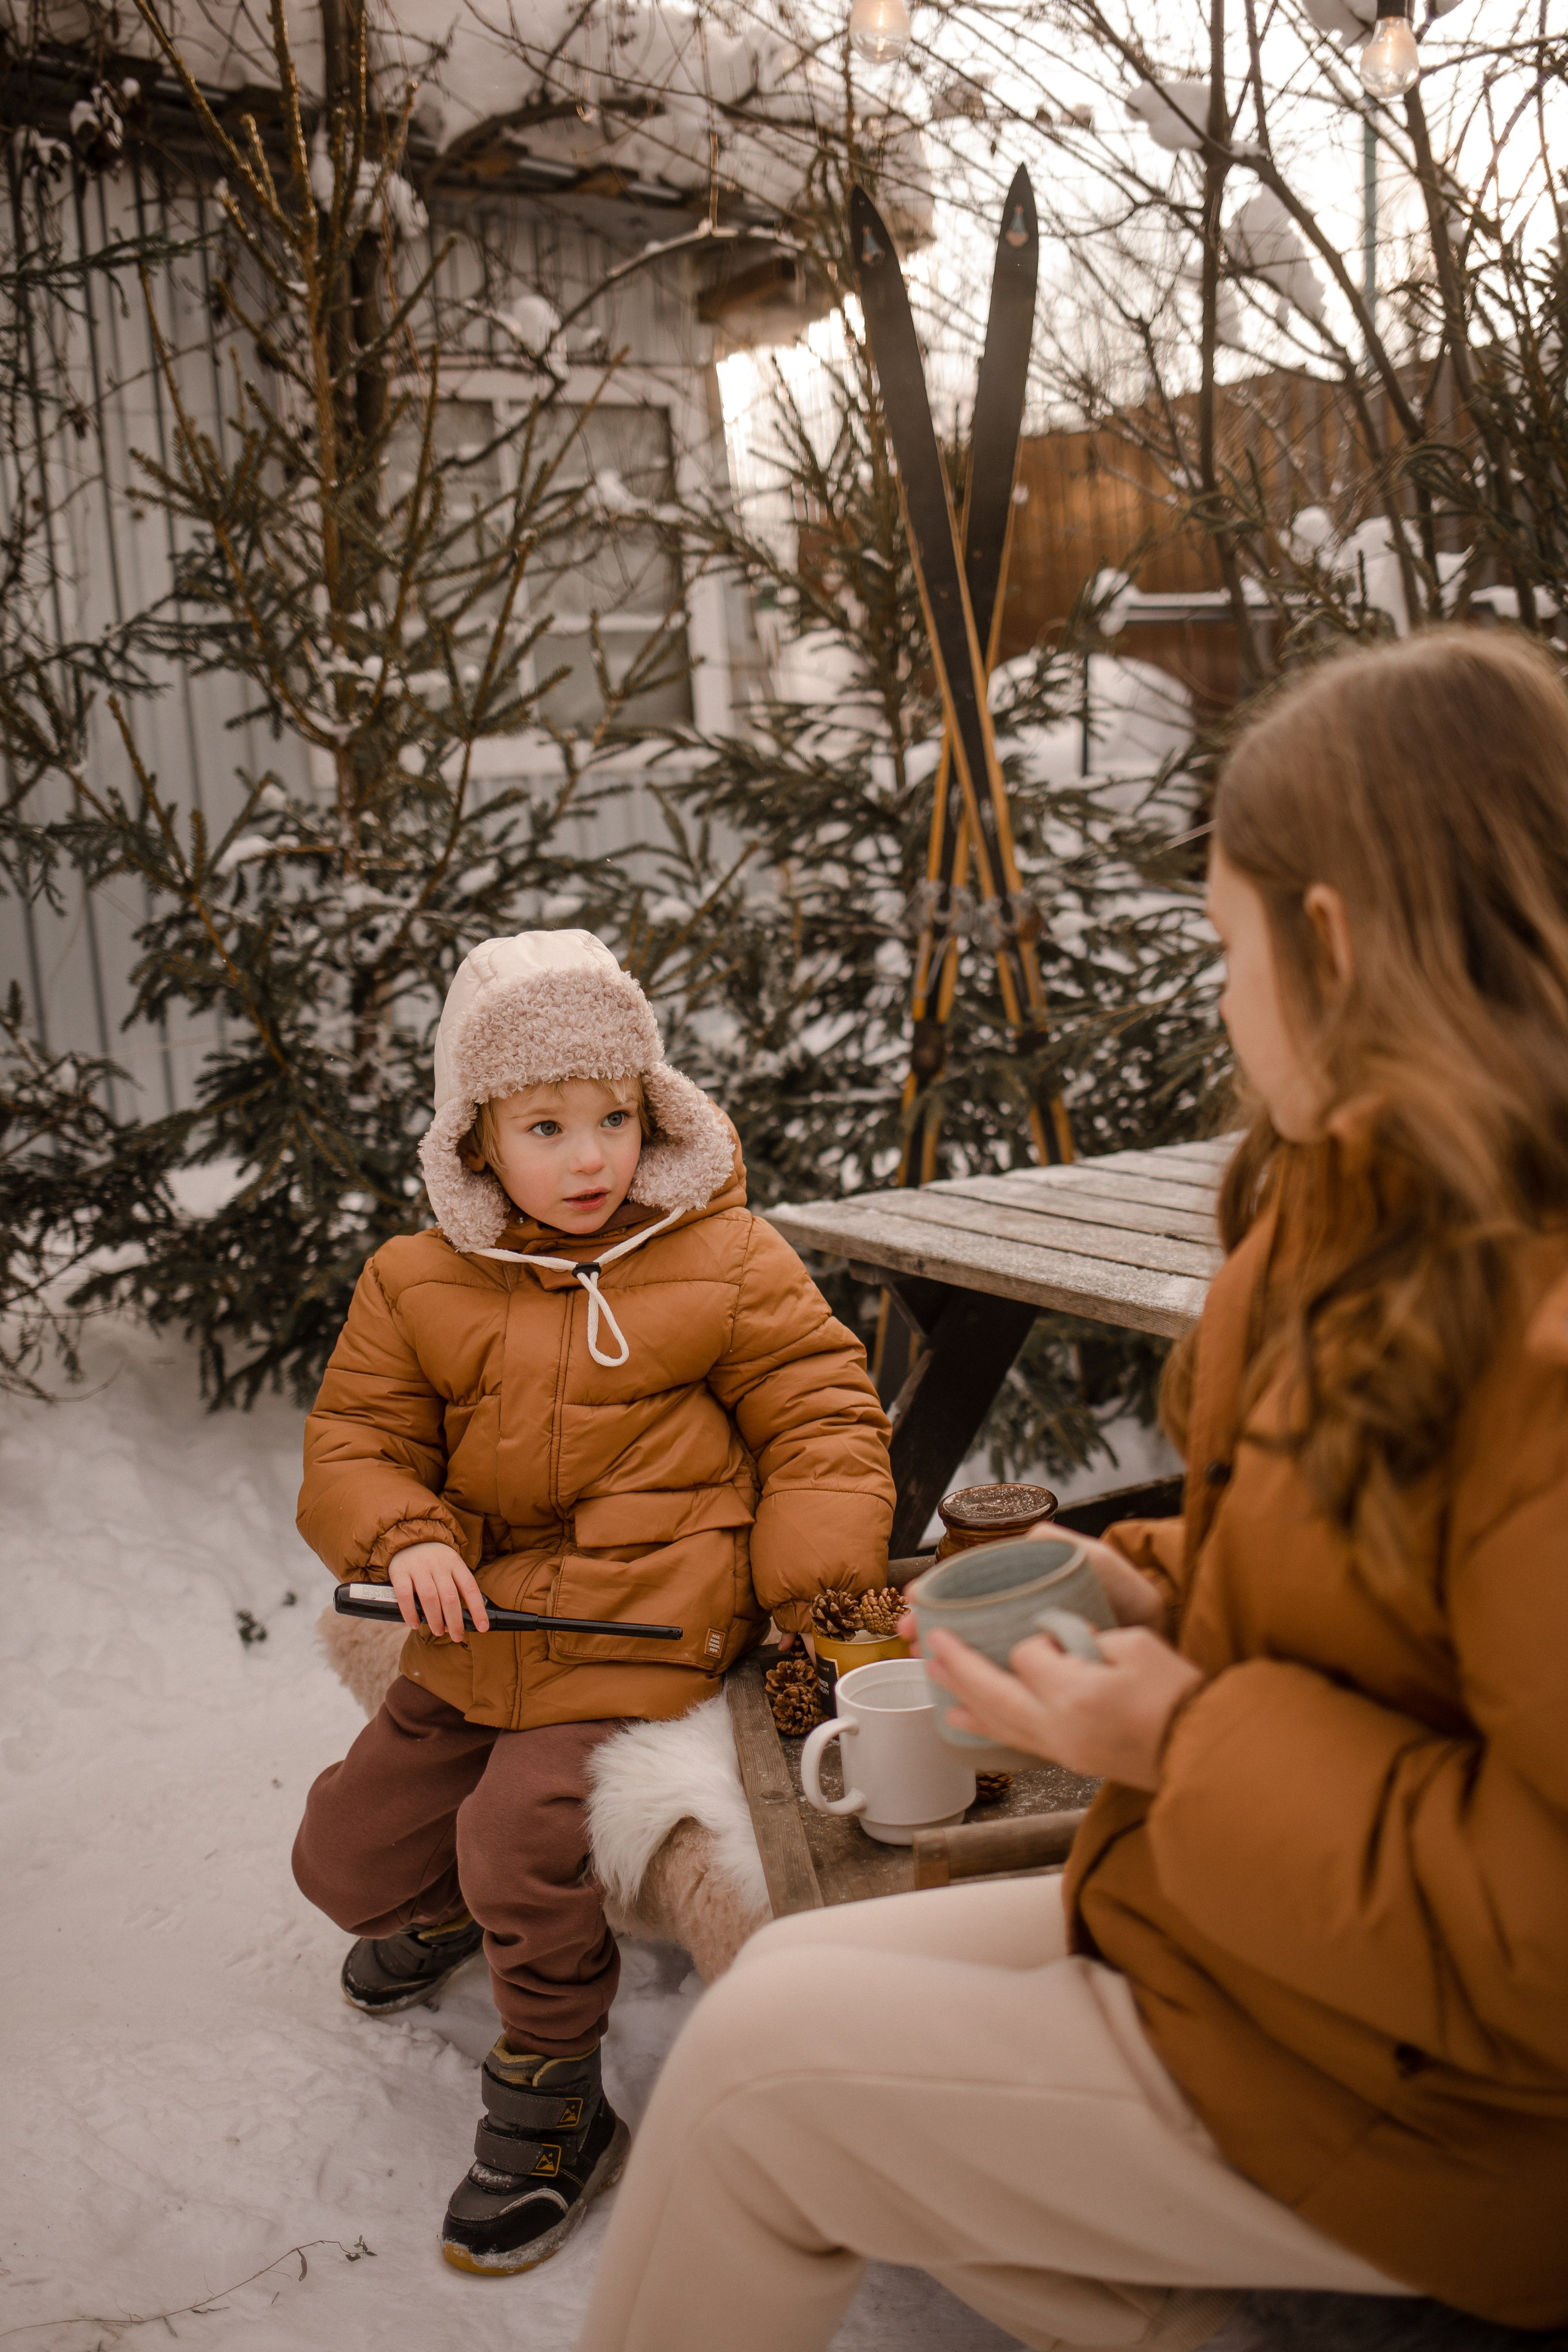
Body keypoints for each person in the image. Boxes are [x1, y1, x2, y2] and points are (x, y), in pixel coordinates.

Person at [575, 629, 1568, 2351]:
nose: (1224, 1001)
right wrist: (1146, 1586)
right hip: (1277, 1964)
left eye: (1229, 951)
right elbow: (1373, 1579)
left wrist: (1185, 1747)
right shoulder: (1338, 1202)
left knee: (753, 2090)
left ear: (1331, 946)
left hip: (1459, 2113)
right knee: (794, 1980)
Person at [290, 929, 894, 2274]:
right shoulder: (414, 1281)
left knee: (518, 1833)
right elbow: (355, 1444)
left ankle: (554, 2085)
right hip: (476, 1630)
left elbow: (822, 1414)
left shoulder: (722, 1256)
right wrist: (405, 1538)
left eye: (613, 1118)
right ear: (476, 1140)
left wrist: (810, 1575)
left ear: (652, 1111)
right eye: (545, 1125)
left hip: (643, 1630)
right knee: (343, 1862)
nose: (587, 1159)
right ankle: (441, 1909)